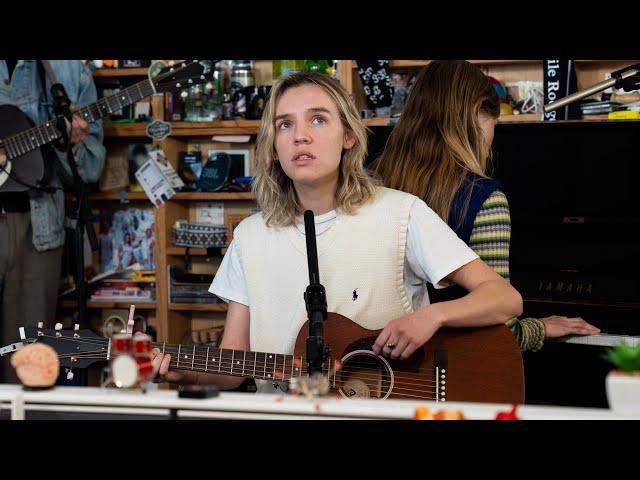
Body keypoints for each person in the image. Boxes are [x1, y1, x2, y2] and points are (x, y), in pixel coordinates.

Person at [150, 71, 523, 391]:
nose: (300, 136)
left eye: (317, 119)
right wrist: (176, 367)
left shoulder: (401, 213)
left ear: (348, 136)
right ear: (274, 148)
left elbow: (505, 299)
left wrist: (430, 317)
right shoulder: (250, 237)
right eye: (285, 124)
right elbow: (233, 367)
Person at [373, 60, 599, 352]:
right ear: (479, 112)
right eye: (494, 123)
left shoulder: (371, 184)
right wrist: (541, 328)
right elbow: (500, 333)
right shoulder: (481, 198)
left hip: (382, 362)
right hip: (457, 372)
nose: (492, 139)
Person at [0, 60, 106, 382]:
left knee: (24, 361)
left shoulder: (68, 70)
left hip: (37, 230)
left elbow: (90, 170)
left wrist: (72, 141)